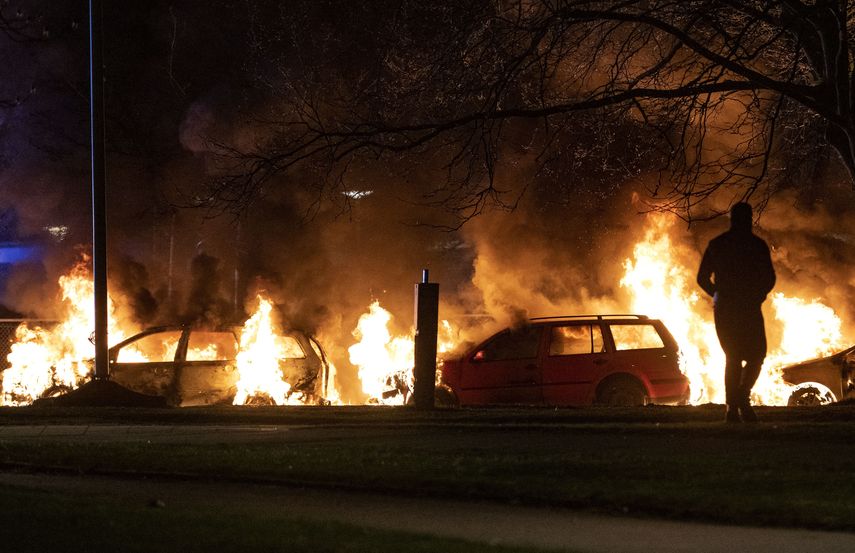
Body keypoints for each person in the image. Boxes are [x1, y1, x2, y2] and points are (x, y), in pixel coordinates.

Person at [697, 202, 776, 423]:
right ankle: (738, 403)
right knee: (751, 356)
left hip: (731, 308)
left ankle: (736, 403)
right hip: (743, 308)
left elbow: (702, 278)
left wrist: (716, 294)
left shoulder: (720, 244)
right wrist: (758, 294)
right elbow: (769, 278)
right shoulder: (755, 245)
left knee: (740, 357)